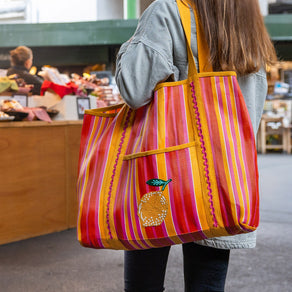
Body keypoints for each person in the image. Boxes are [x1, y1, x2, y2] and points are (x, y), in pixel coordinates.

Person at [115, 0, 277, 291]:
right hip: (225, 177)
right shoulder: (246, 20)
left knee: (143, 283)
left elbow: (134, 88)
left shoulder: (166, 11)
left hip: (162, 169)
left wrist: (134, 44)